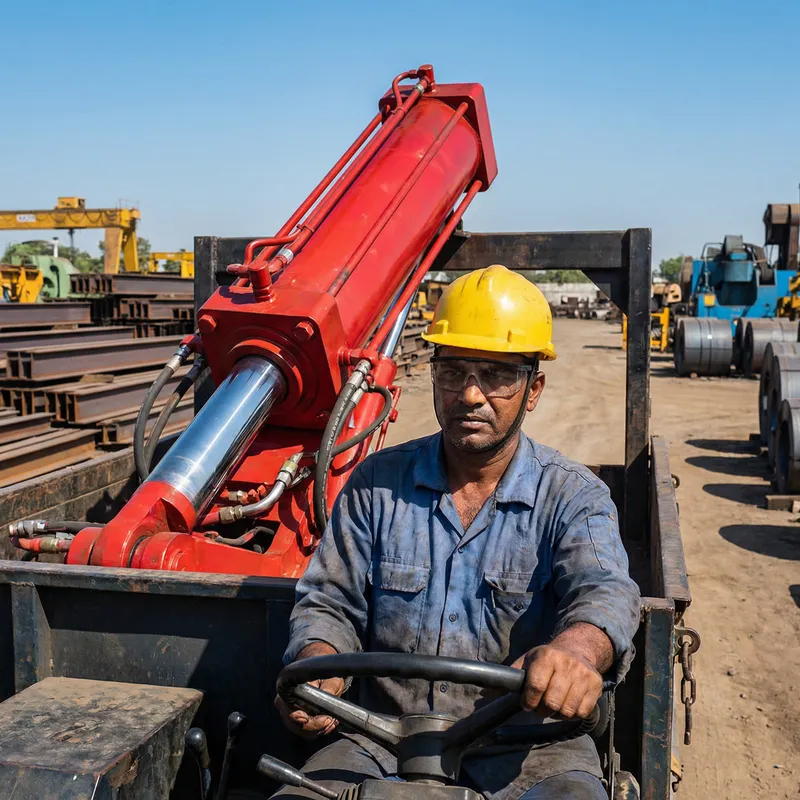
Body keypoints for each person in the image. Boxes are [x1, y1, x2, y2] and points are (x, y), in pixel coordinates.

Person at [275, 265, 641, 800]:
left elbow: (604, 592)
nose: (470, 395)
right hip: (380, 740)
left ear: (532, 389)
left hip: (531, 748)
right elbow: (331, 601)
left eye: (496, 374)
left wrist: (575, 653)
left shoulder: (572, 495)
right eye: (453, 371)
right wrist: (315, 660)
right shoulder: (377, 483)